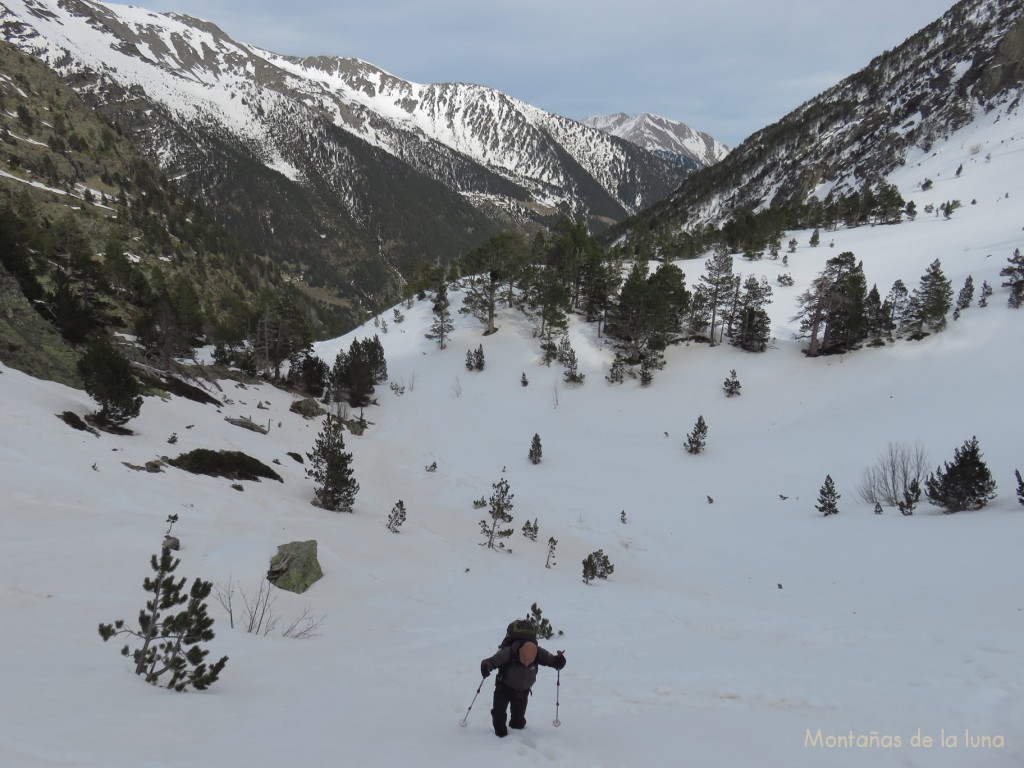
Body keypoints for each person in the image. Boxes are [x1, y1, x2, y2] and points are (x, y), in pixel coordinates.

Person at [480, 639, 565, 737]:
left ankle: (518, 733)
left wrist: (559, 661)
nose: (526, 664)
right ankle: (500, 736)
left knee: (518, 720)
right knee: (499, 713)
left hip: (523, 690)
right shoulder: (509, 652)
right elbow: (493, 660)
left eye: (530, 662)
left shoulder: (538, 652)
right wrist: (486, 665)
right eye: (524, 661)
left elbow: (552, 660)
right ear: (519, 652)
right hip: (504, 687)